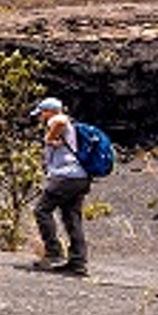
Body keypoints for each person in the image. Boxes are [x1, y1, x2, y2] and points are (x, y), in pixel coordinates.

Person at [28, 95, 89, 276]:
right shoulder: (69, 125)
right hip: (80, 177)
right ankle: (77, 263)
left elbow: (60, 119)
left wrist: (49, 137)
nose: (40, 117)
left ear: (48, 111)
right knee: (72, 218)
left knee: (41, 210)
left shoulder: (57, 119)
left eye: (41, 113)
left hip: (66, 177)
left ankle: (54, 253)